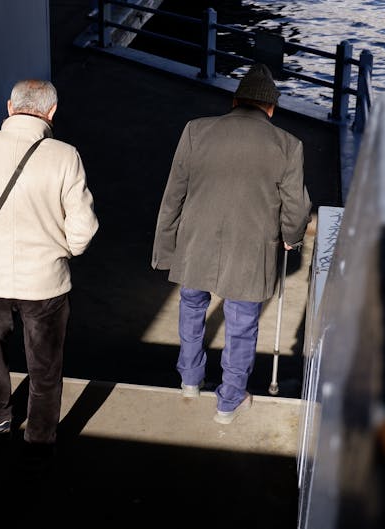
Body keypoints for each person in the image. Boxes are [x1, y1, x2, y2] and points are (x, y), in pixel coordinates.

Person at [0, 79, 98, 455]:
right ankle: (40, 438)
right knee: (45, 366)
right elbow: (84, 228)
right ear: (51, 112)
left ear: (10, 107)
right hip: (46, 285)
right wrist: (62, 250)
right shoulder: (65, 155)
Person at [151, 63, 311, 425]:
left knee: (191, 308)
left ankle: (190, 380)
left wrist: (165, 248)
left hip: (196, 244)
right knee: (241, 323)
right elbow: (297, 208)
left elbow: (173, 195)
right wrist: (291, 238)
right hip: (250, 253)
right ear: (271, 108)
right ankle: (229, 401)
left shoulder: (196, 131)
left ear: (235, 100)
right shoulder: (288, 145)